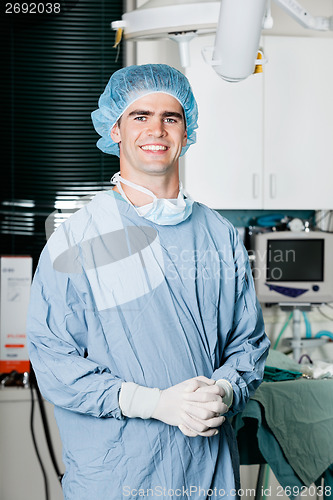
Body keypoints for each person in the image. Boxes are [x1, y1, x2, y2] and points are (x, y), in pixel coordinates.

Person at [27, 64, 270, 500]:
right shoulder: (81, 237)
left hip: (208, 473)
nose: (156, 129)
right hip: (119, 476)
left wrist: (227, 390)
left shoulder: (218, 235)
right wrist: (152, 404)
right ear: (116, 130)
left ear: (186, 130)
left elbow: (247, 343)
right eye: (140, 116)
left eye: (170, 117)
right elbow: (53, 360)